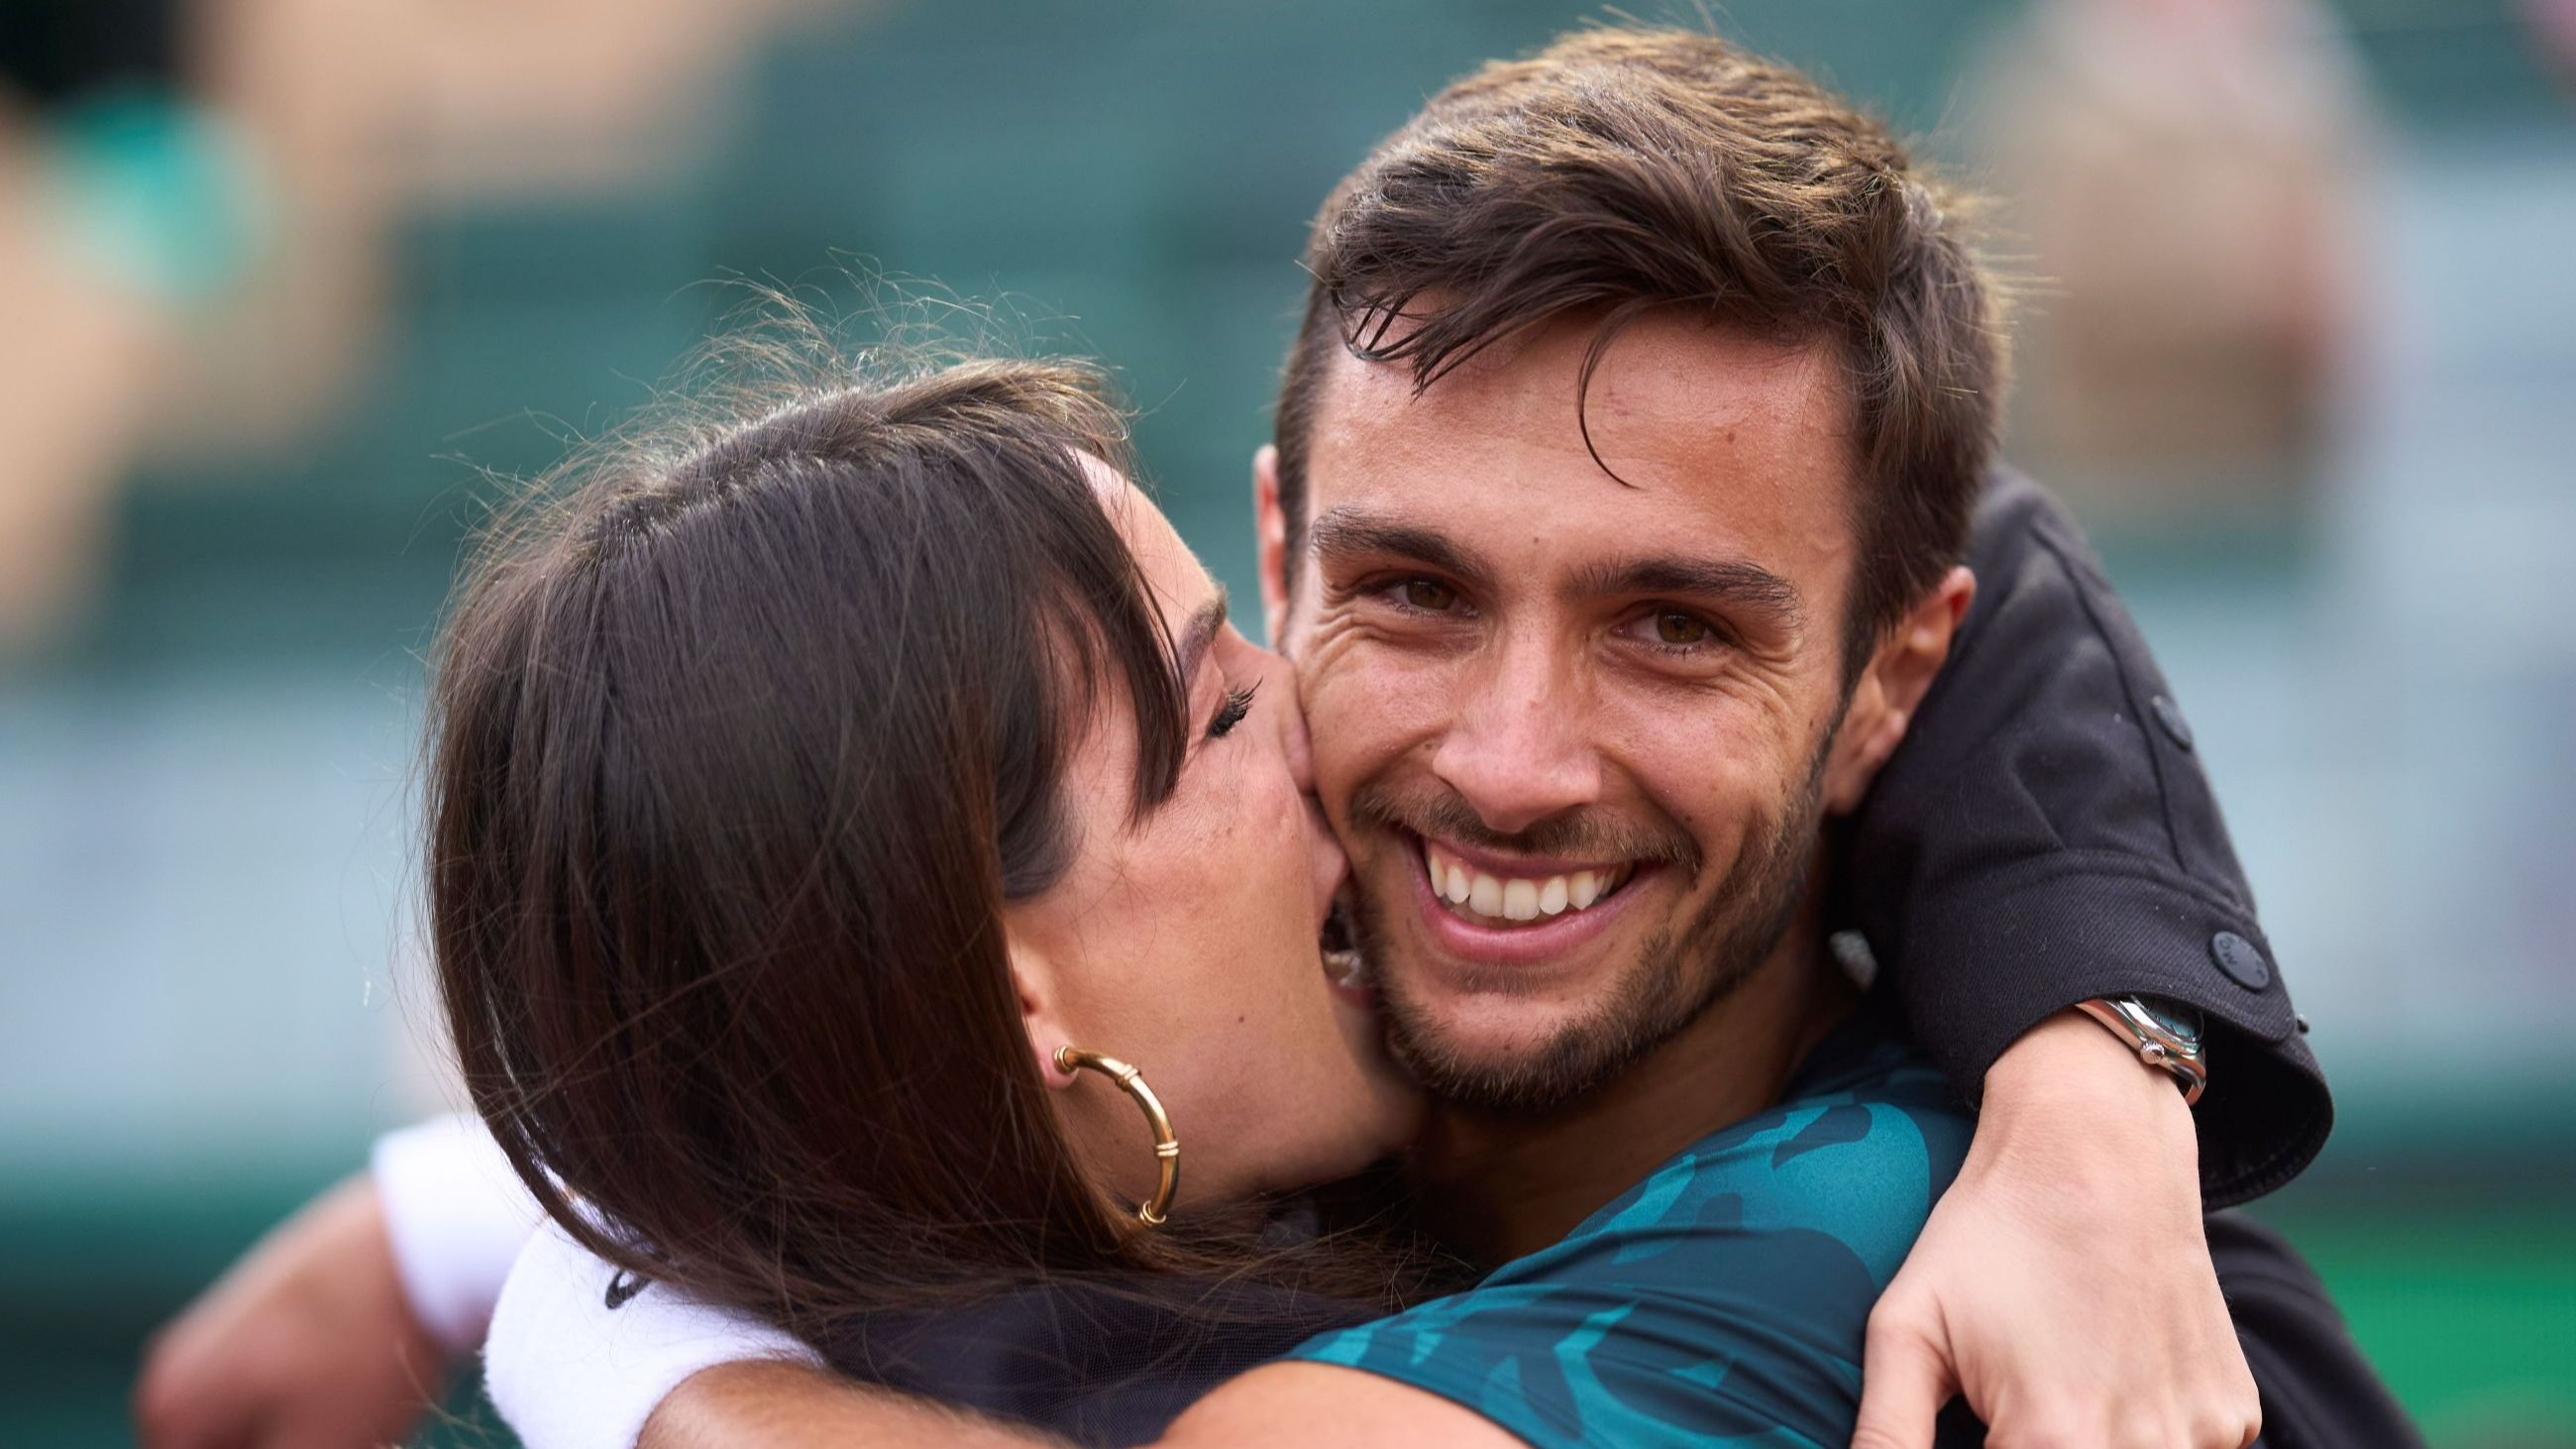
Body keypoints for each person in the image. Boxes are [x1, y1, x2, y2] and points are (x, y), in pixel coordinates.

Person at [137, 25, 2418, 1449]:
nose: (1513, 758)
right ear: (1279, 548)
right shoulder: (1114, 1196)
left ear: (1891, 684)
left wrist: (581, 1308)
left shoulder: (1952, 1276)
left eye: (1673, 629)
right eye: (1405, 594)